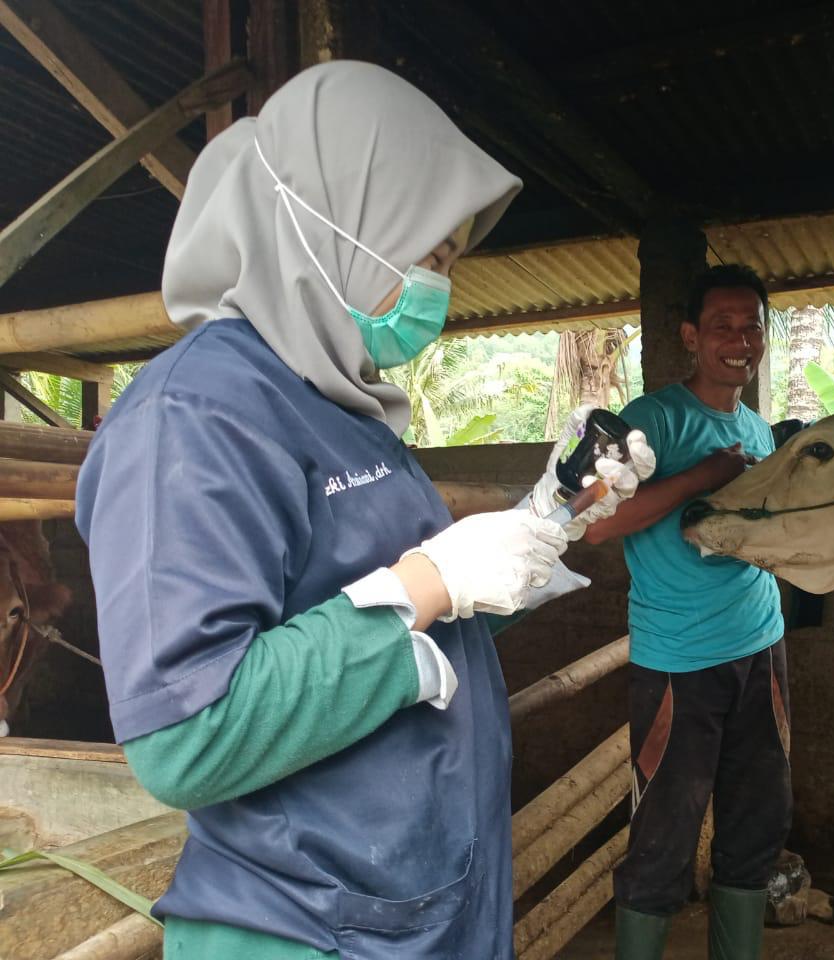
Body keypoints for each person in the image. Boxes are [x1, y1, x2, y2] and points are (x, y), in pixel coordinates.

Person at [74, 61, 653, 960]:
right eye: (427, 254)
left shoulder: (343, 406)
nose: (439, 288)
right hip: (304, 929)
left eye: (448, 261)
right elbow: (184, 736)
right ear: (327, 221)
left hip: (412, 910)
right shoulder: (194, 414)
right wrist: (427, 582)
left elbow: (416, 608)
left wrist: (546, 518)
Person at [585, 264, 790, 960]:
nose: (740, 340)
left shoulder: (759, 430)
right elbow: (596, 523)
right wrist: (705, 475)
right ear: (691, 336)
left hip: (761, 648)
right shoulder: (649, 420)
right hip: (679, 661)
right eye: (722, 326)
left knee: (757, 825)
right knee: (664, 842)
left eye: (751, 327)